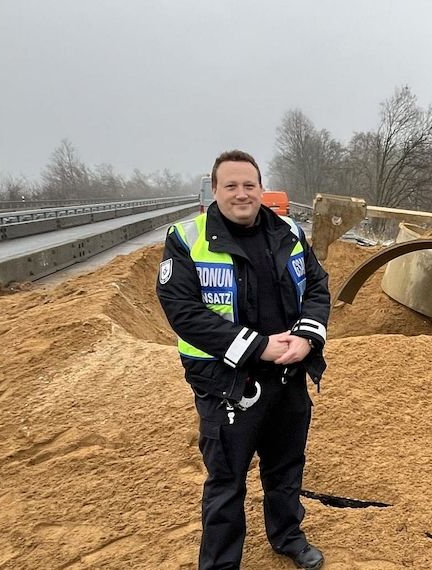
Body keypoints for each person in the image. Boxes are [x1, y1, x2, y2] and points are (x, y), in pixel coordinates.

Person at [156, 150, 330, 569]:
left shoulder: (288, 231)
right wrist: (257, 346)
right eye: (230, 185)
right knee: (227, 480)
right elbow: (183, 310)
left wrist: (307, 337)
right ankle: (219, 563)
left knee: (286, 466)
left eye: (249, 185)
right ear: (214, 190)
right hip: (225, 382)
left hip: (288, 375)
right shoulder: (186, 239)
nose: (241, 193)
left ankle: (288, 535)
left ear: (261, 188)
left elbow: (318, 287)